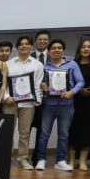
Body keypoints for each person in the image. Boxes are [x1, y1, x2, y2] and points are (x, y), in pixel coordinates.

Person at [34, 39, 84, 171]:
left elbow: (81, 82)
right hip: (48, 105)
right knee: (44, 134)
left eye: (59, 48)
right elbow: (40, 83)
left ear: (63, 50)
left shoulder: (72, 64)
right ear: (49, 52)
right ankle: (41, 159)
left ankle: (60, 160)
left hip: (66, 104)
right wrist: (43, 86)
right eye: (53, 48)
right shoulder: (44, 67)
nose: (56, 50)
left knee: (63, 134)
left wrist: (72, 92)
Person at [4, 36, 44, 169]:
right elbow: (3, 84)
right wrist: (6, 97)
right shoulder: (8, 64)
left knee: (25, 133)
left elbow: (38, 84)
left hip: (28, 104)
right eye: (21, 44)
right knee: (8, 131)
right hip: (10, 102)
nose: (24, 46)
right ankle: (5, 158)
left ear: (31, 47)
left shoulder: (37, 65)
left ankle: (22, 158)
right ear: (17, 47)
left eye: (27, 44)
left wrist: (38, 99)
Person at [68, 38, 90, 170]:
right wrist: (78, 90)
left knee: (87, 131)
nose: (86, 49)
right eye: (83, 47)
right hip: (74, 101)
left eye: (89, 47)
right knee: (73, 130)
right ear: (79, 49)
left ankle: (82, 161)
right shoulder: (72, 64)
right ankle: (71, 160)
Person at [29, 30, 51, 166]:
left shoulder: (54, 57)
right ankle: (24, 157)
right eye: (40, 39)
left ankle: (37, 158)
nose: (42, 42)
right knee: (26, 129)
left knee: (43, 130)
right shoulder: (28, 57)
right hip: (29, 100)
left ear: (48, 41)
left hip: (47, 100)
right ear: (35, 41)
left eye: (45, 39)